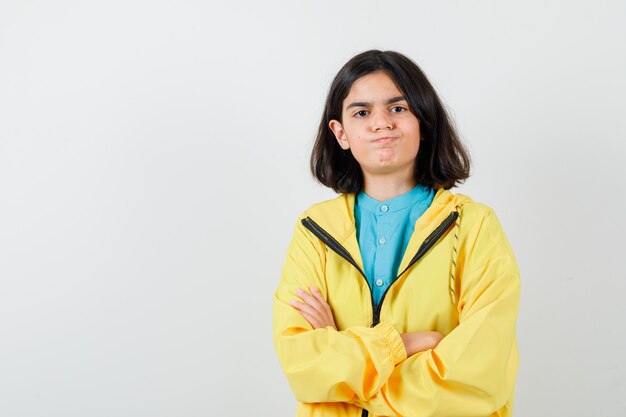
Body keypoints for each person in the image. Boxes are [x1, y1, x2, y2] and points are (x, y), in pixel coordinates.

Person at [272, 50, 520, 417]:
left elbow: (477, 377)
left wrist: (345, 371)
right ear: (340, 133)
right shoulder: (314, 230)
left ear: (424, 121)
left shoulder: (474, 226)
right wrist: (400, 345)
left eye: (398, 108)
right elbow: (301, 367)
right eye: (361, 112)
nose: (381, 123)